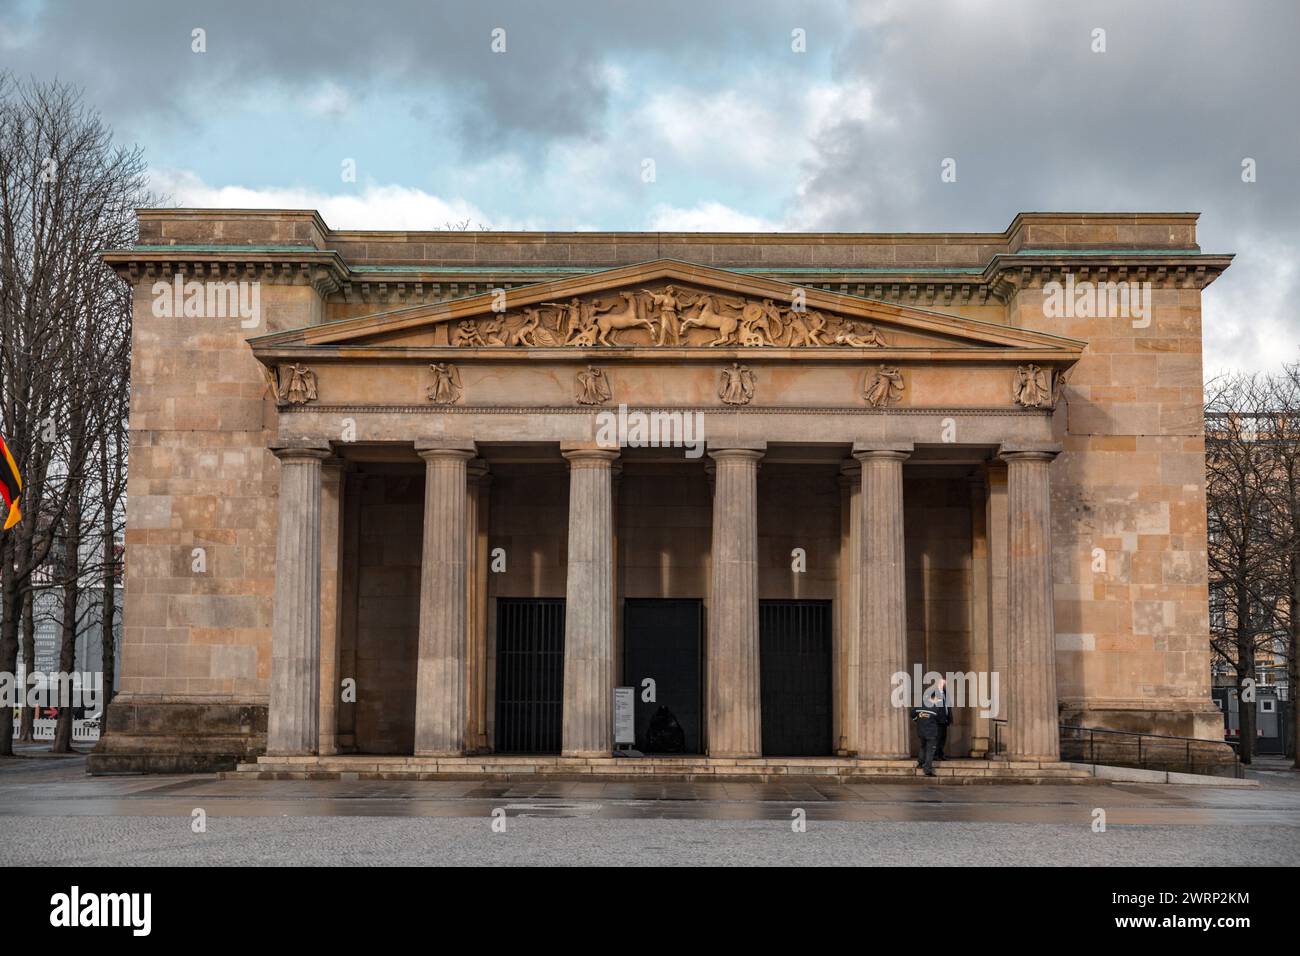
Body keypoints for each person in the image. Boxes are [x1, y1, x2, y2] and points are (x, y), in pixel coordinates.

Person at [912, 692, 941, 776]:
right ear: (933, 698)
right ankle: (927, 770)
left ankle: (920, 763)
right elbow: (938, 720)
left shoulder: (920, 705)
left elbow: (912, 714)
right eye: (938, 699)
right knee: (930, 751)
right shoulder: (935, 709)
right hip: (931, 733)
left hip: (921, 731)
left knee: (923, 747)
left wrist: (917, 720)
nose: (938, 701)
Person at [934, 676, 953, 761]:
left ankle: (941, 754)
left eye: (944, 683)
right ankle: (936, 755)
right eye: (942, 683)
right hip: (937, 720)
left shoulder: (945, 693)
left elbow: (948, 706)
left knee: (943, 738)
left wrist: (950, 718)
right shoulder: (934, 693)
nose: (944, 684)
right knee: (937, 738)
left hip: (945, 719)